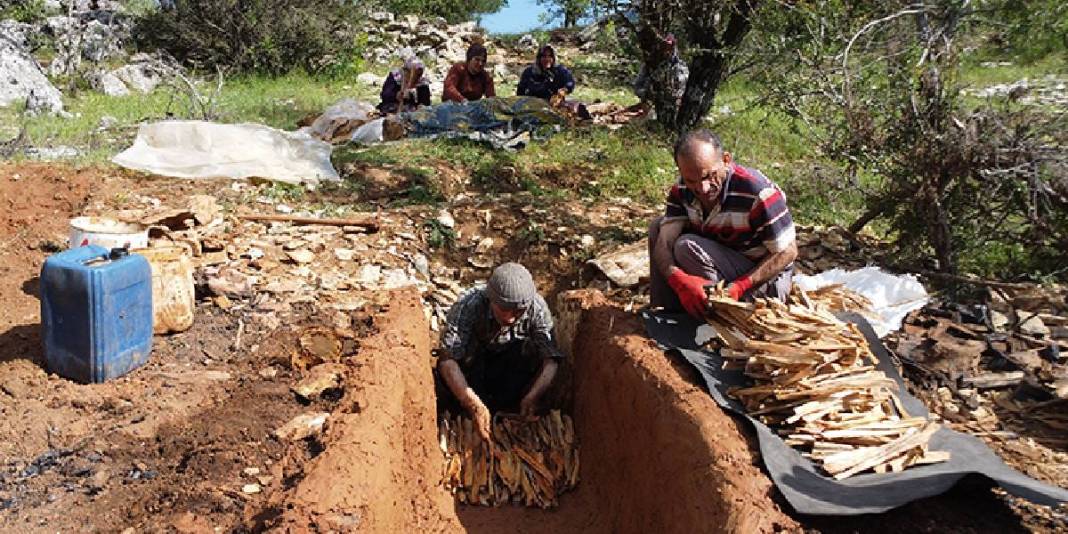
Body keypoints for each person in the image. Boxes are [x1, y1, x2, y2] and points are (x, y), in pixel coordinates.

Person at [648, 130, 798, 318]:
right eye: (691, 180)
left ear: (726, 160)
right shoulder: (682, 191)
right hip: (724, 259)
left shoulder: (757, 192)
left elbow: (788, 251)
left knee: (687, 247)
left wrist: (740, 286)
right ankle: (669, 312)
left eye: (709, 176)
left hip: (764, 279)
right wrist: (678, 280)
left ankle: (716, 313)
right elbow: (664, 243)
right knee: (658, 228)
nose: (702, 188)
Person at [436, 263, 562, 441]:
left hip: (509, 361)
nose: (510, 318)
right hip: (474, 364)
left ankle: (508, 408)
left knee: (526, 358)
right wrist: (474, 406)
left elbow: (551, 359)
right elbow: (447, 361)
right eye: (504, 309)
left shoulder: (536, 307)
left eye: (518, 312)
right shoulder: (469, 304)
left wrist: (532, 396)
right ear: (491, 299)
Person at [632, 33, 689, 115]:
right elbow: (637, 86)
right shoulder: (649, 66)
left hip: (674, 105)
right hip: (653, 104)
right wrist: (647, 94)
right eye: (664, 47)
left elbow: (683, 89)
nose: (667, 51)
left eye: (669, 47)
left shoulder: (681, 67)